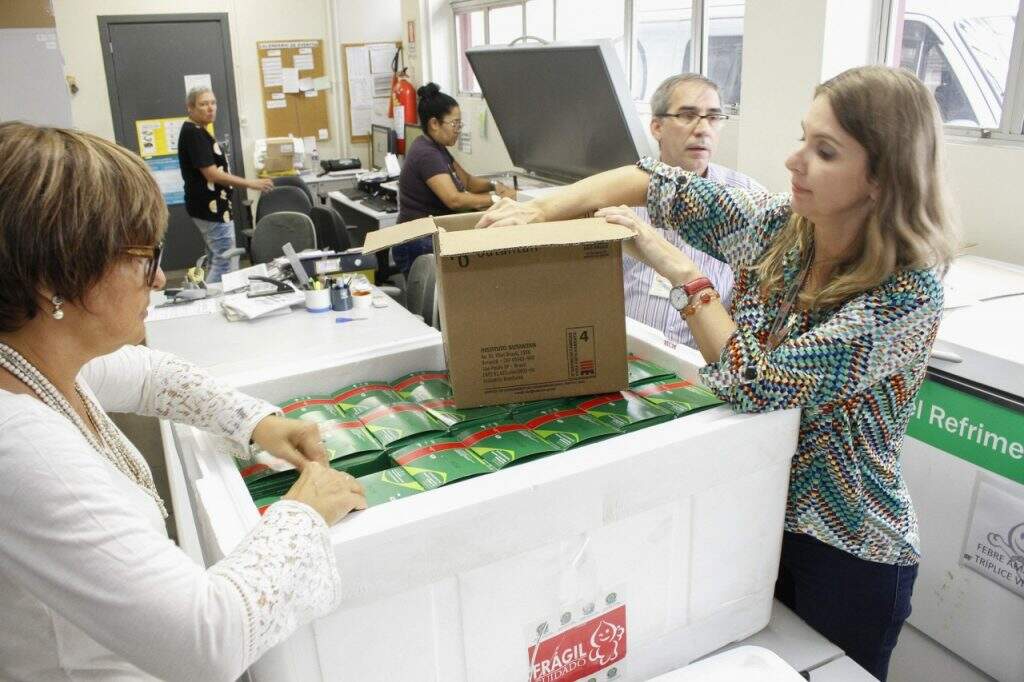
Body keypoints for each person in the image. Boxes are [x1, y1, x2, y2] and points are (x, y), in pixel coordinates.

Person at [479, 65, 958, 681]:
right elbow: (651, 181)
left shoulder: (905, 295)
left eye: (825, 151)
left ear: (881, 177)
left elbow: (760, 386)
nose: (794, 160)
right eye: (802, 137)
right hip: (753, 509)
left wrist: (684, 274)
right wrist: (537, 210)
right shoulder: (783, 230)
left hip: (845, 549)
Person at [0, 121, 366, 681]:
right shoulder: (22, 448)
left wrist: (258, 423)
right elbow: (207, 640)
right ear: (56, 279)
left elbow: (150, 374)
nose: (159, 280)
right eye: (143, 258)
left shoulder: (39, 361)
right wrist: (305, 512)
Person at [628, 73, 764, 348]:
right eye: (688, 115)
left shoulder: (748, 198)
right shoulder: (624, 193)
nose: (703, 129)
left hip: (703, 363)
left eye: (713, 117)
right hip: (630, 351)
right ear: (656, 127)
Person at [394, 82, 516, 274]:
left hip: (424, 238)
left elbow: (467, 181)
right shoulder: (427, 154)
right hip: (418, 243)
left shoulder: (436, 147)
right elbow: (454, 200)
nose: (458, 129)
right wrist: (500, 200)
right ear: (434, 124)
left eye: (460, 123)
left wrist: (495, 186)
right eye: (455, 123)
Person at [178, 86, 273, 283]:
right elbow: (211, 174)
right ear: (190, 107)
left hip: (211, 207)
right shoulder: (194, 133)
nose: (210, 108)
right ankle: (214, 303)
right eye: (203, 104)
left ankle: (211, 300)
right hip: (210, 208)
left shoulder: (198, 130)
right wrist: (250, 183)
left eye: (213, 103)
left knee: (217, 258)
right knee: (225, 260)